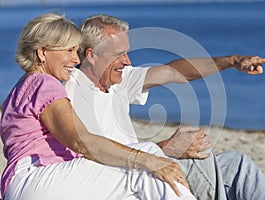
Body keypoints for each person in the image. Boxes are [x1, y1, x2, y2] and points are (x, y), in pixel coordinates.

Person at [65, 14, 265, 200]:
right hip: (130, 182)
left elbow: (174, 72)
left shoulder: (118, 81)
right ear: (91, 55)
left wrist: (232, 61)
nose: (128, 61)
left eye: (127, 52)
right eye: (118, 54)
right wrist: (166, 147)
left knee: (237, 165)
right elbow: (94, 159)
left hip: (149, 166)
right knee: (210, 165)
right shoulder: (71, 93)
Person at [0, 13, 199, 200]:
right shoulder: (45, 84)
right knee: (146, 160)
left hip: (24, 184)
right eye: (69, 50)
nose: (76, 59)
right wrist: (149, 160)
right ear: (42, 52)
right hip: (38, 178)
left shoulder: (20, 89)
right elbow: (82, 142)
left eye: (75, 51)